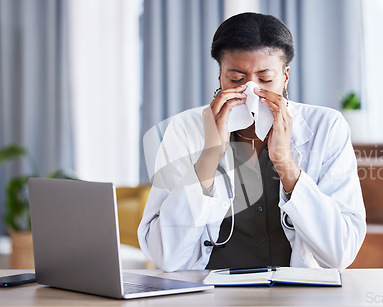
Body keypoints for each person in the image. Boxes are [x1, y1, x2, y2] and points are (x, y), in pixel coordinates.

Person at [138, 12, 366, 272]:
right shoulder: (184, 130)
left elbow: (340, 254)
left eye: (265, 79)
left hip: (297, 295)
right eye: (236, 79)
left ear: (285, 76)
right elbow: (165, 256)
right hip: (210, 294)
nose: (250, 91)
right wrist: (210, 156)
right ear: (220, 76)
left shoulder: (327, 127)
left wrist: (285, 164)